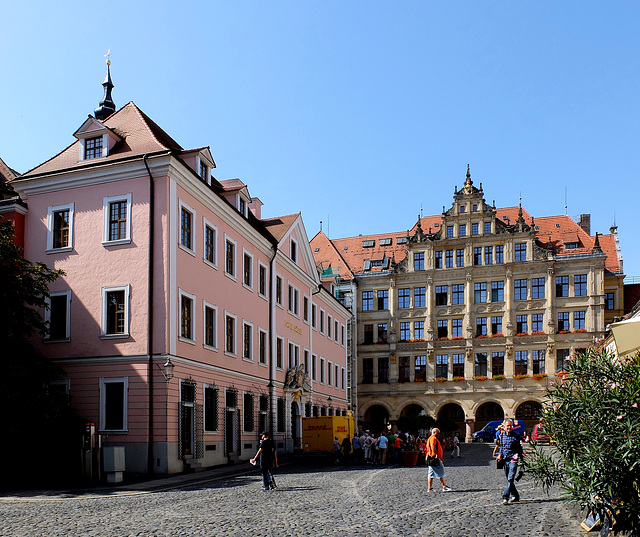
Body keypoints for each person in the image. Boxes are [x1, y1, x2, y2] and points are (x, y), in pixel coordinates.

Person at [496, 419, 524, 504]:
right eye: (507, 426)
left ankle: (505, 497)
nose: (509, 427)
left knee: (510, 478)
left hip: (513, 460)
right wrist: (500, 454)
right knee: (509, 480)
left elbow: (519, 448)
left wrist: (520, 457)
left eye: (510, 425)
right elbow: (502, 447)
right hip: (505, 460)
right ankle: (515, 496)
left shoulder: (516, 436)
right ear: (504, 427)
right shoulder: (502, 436)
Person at [426, 428, 452, 492]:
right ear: (434, 432)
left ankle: (430, 488)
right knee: (441, 472)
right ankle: (444, 487)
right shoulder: (433, 438)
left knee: (430, 474)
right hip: (434, 458)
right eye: (438, 433)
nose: (439, 435)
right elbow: (433, 446)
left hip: (430, 457)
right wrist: (436, 455)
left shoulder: (430, 438)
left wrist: (441, 457)